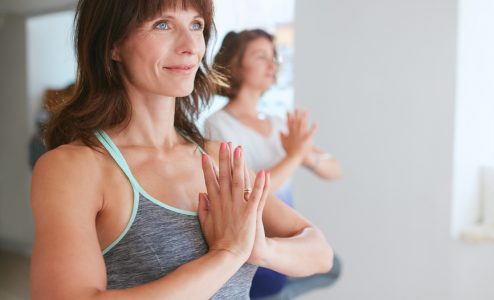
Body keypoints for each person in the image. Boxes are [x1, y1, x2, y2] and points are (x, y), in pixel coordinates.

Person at [29, 1, 333, 299]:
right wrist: (227, 254)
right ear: (113, 44)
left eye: (196, 25)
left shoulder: (216, 157)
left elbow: (320, 252)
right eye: (163, 24)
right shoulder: (74, 168)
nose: (191, 45)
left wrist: (261, 249)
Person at [204, 29, 342, 299]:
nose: (272, 64)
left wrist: (305, 155)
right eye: (261, 56)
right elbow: (252, 191)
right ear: (236, 63)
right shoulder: (218, 126)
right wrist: (293, 155)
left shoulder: (277, 124)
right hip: (254, 240)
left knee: (333, 267)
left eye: (274, 57)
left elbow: (334, 169)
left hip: (285, 236)